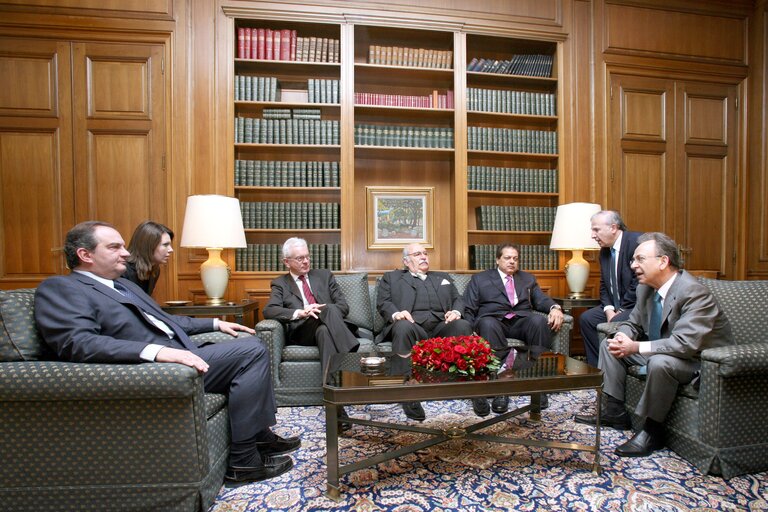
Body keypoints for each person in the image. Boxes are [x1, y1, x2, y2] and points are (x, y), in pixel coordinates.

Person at [34, 221, 299, 484]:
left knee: (251, 345)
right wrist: (155, 351)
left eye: (124, 247)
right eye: (115, 247)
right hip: (154, 370)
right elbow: (77, 343)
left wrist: (215, 323)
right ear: (85, 255)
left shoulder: (123, 285)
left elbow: (167, 321)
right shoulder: (62, 288)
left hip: (181, 354)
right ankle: (243, 461)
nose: (126, 254)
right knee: (251, 351)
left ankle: (259, 435)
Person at [575, 232, 732, 457]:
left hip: (700, 362)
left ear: (663, 261)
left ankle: (651, 432)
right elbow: (633, 323)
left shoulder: (693, 292)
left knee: (660, 362)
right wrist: (623, 338)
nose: (633, 265)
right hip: (667, 352)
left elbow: (684, 345)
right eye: (632, 259)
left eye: (640, 259)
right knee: (610, 346)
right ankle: (614, 411)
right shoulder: (645, 289)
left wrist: (635, 347)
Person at [262, 237, 360, 429]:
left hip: (326, 328)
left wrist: (321, 309)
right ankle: (352, 353)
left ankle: (334, 405)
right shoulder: (280, 283)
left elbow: (343, 307)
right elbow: (269, 310)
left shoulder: (324, 276)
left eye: (307, 256)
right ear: (286, 262)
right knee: (327, 310)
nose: (306, 261)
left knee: (325, 326)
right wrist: (301, 312)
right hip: (302, 331)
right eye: (299, 258)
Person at [463, 243, 564, 416]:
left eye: (515, 259)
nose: (512, 262)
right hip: (493, 319)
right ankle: (500, 387)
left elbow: (540, 300)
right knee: (487, 324)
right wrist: (470, 330)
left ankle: (536, 383)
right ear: (497, 260)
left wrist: (555, 307)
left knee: (538, 321)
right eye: (507, 258)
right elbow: (469, 306)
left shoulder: (527, 279)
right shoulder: (480, 279)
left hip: (520, 320)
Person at [376, 243, 473, 421]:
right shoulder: (392, 278)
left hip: (440, 326)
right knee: (403, 326)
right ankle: (408, 394)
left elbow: (458, 299)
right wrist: (397, 314)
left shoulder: (442, 277)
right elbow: (383, 303)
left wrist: (456, 312)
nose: (423, 257)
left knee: (463, 325)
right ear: (406, 261)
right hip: (413, 326)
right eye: (418, 254)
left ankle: (472, 389)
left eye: (425, 253)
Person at [579, 211, 641, 366]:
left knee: (616, 321)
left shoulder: (636, 243)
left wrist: (619, 311)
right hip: (615, 306)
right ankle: (596, 367)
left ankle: (611, 364)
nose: (593, 235)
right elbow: (604, 284)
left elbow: (639, 282)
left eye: (596, 230)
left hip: (636, 306)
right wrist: (608, 309)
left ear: (613, 227)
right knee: (587, 319)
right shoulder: (605, 251)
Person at [123, 220, 175, 295]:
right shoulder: (123, 269)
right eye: (165, 245)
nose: (171, 250)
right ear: (148, 246)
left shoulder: (155, 270)